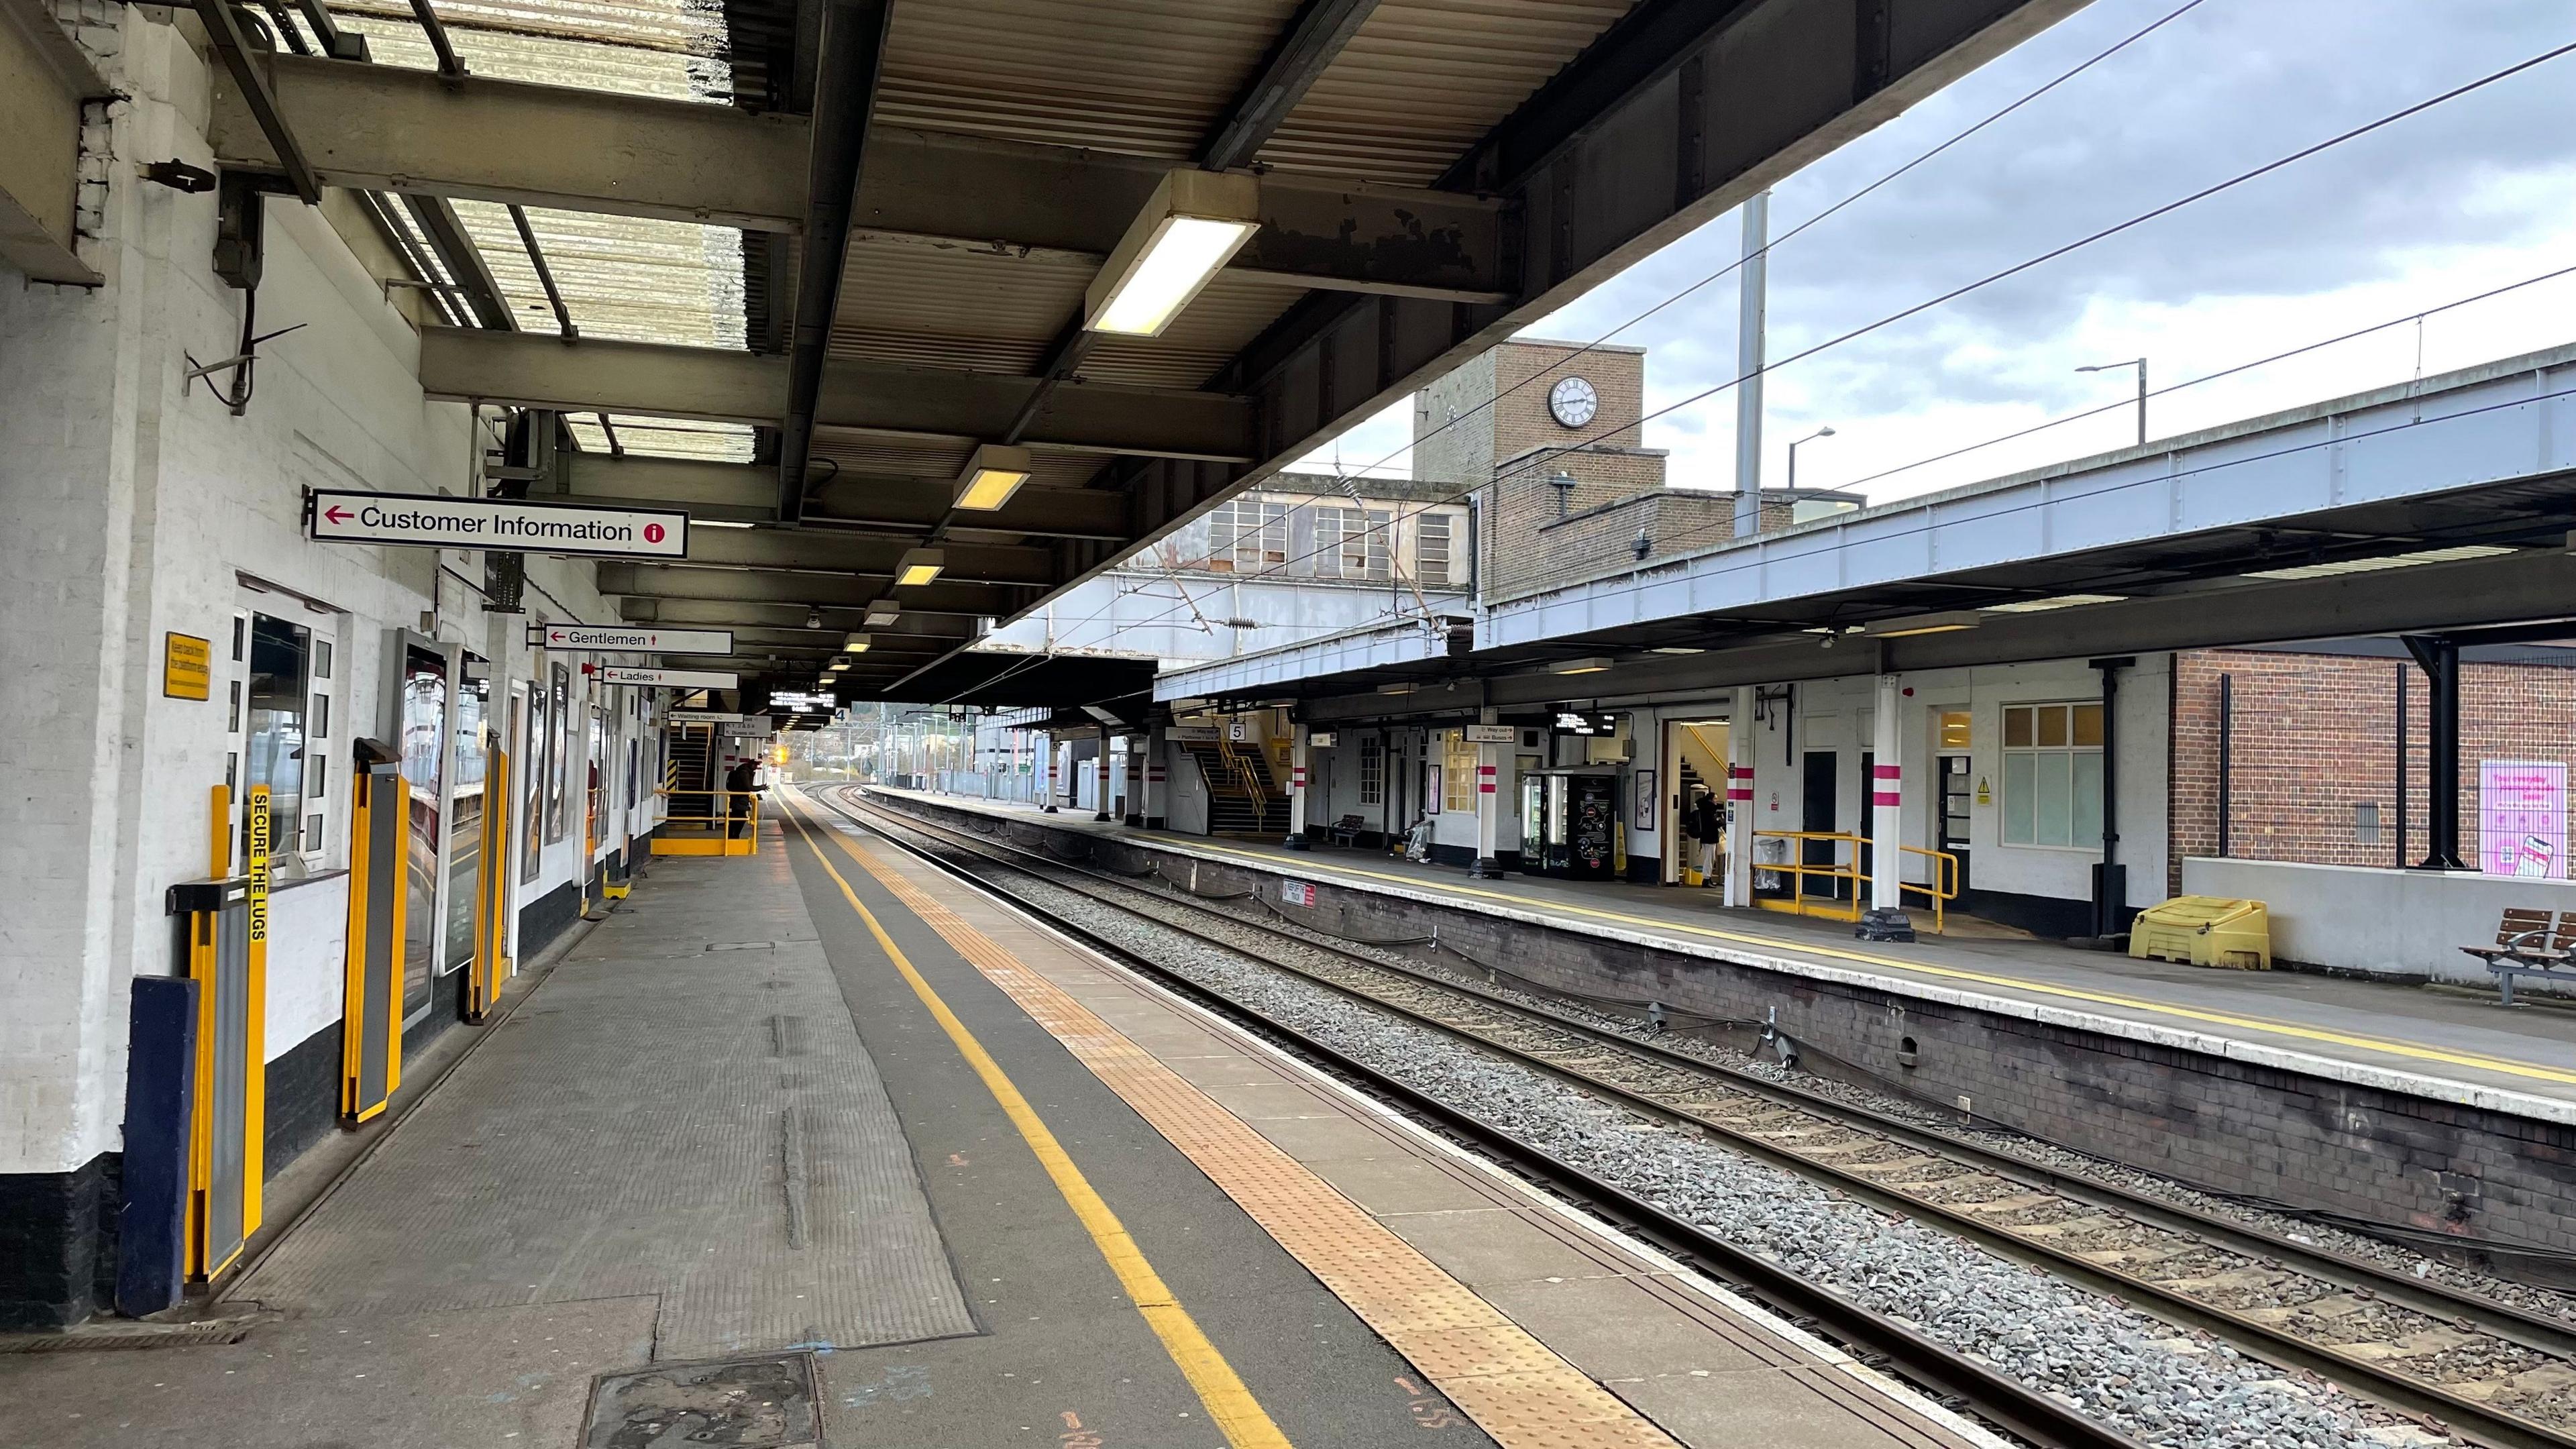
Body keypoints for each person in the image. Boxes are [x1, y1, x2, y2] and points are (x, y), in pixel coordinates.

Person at [1688, 789, 1724, 885]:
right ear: (1711, 800)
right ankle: (1706, 878)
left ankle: (1708, 878)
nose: (1717, 801)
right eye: (1715, 799)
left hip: (1704, 837)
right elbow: (1713, 823)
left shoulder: (1702, 809)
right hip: (1711, 837)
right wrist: (1721, 821)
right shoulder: (1710, 810)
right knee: (1710, 858)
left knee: (1709, 858)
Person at [724, 755, 761, 838]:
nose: (756, 767)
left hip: (739, 798)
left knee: (737, 818)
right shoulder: (744, 773)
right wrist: (761, 787)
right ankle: (733, 837)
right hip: (739, 799)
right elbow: (748, 787)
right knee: (739, 818)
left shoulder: (744, 771)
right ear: (751, 764)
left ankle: (732, 836)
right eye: (755, 765)